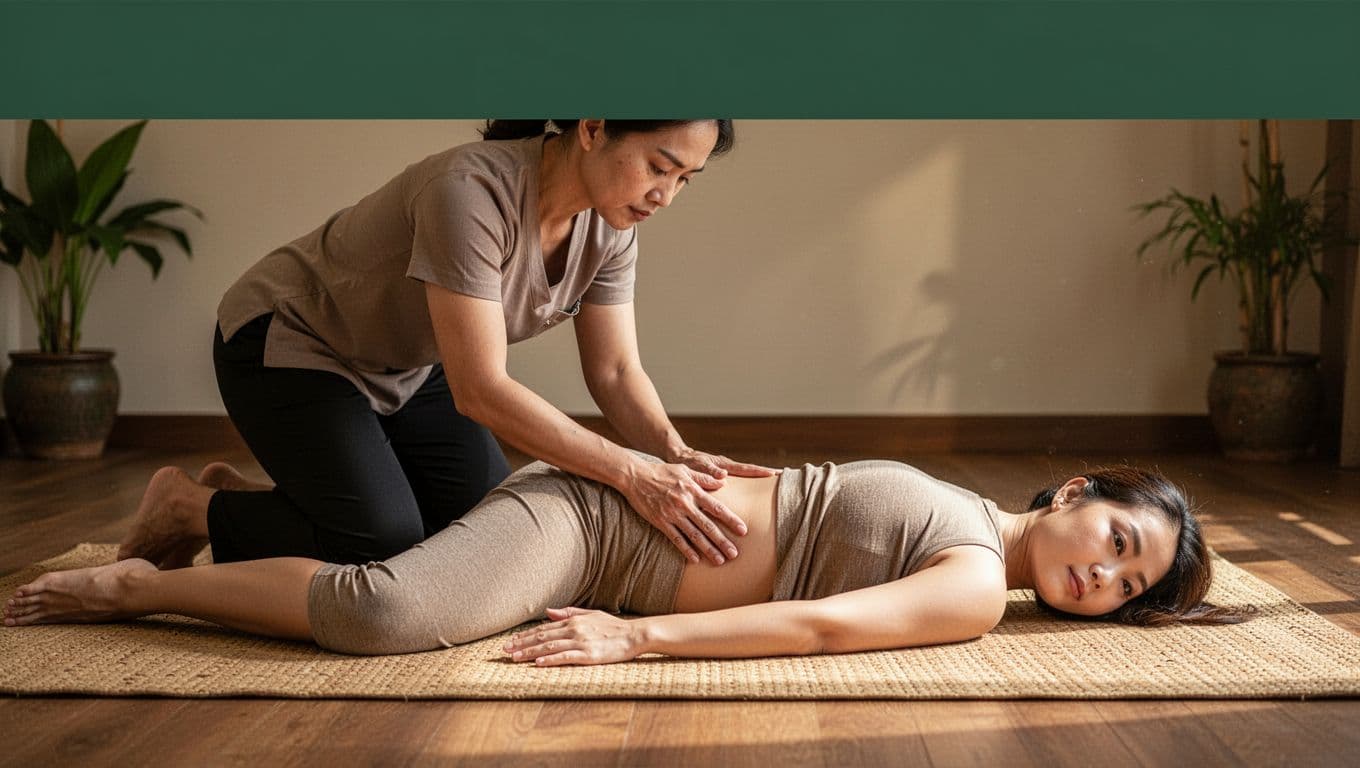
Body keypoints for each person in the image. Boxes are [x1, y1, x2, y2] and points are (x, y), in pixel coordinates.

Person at [127, 119, 775, 574]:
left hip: (407, 365)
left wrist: (675, 453)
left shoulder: (611, 229)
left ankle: (248, 498)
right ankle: (189, 507)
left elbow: (615, 370)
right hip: (292, 340)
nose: (665, 195)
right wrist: (632, 473)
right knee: (379, 540)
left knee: (488, 536)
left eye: (686, 178)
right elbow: (481, 388)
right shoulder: (470, 193)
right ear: (594, 125)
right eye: (659, 166)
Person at [4, 458, 1248, 666]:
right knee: (390, 614)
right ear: (1076, 491)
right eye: (1121, 543)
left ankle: (205, 510)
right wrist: (630, 620)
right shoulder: (970, 523)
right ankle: (136, 585)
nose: (1106, 577)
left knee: (400, 560)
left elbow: (820, 627)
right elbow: (797, 543)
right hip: (593, 527)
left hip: (604, 552)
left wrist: (637, 633)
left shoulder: (978, 583)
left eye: (1129, 589)